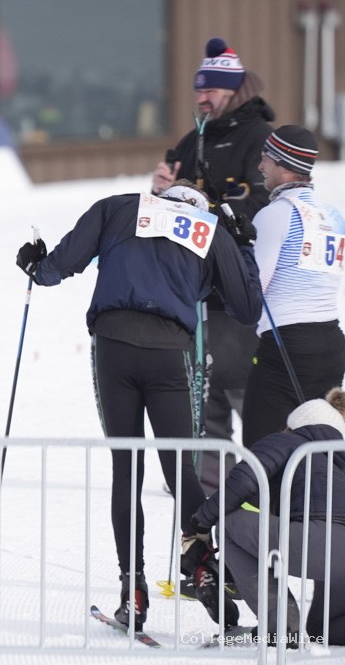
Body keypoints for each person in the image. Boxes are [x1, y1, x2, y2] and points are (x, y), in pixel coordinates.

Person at [15, 181, 262, 631]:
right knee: (181, 469)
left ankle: (134, 591)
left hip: (113, 348)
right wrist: (241, 244)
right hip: (171, 353)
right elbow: (247, 308)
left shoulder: (119, 206)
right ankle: (202, 565)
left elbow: (56, 268)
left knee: (126, 469)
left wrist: (34, 263)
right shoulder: (210, 228)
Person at [151, 37, 274, 494]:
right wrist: (163, 189)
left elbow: (261, 202)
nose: (201, 99)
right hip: (196, 293)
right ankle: (211, 486)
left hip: (241, 291)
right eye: (198, 91)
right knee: (205, 392)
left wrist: (214, 207)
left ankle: (270, 481)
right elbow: (167, 204)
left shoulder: (259, 138)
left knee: (249, 393)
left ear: (234, 89)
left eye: (212, 91)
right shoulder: (193, 139)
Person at [191, 388, 345, 646]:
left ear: (295, 422)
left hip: (319, 542)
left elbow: (241, 482)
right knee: (324, 629)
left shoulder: (289, 440)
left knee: (229, 523)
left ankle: (281, 626)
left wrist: (199, 523)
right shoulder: (339, 456)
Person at [241, 125, 345, 448]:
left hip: (287, 344)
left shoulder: (276, 213)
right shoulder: (333, 215)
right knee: (317, 449)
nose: (260, 167)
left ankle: (263, 501)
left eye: (266, 160)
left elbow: (253, 289)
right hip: (331, 340)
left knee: (262, 449)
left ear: (284, 165)